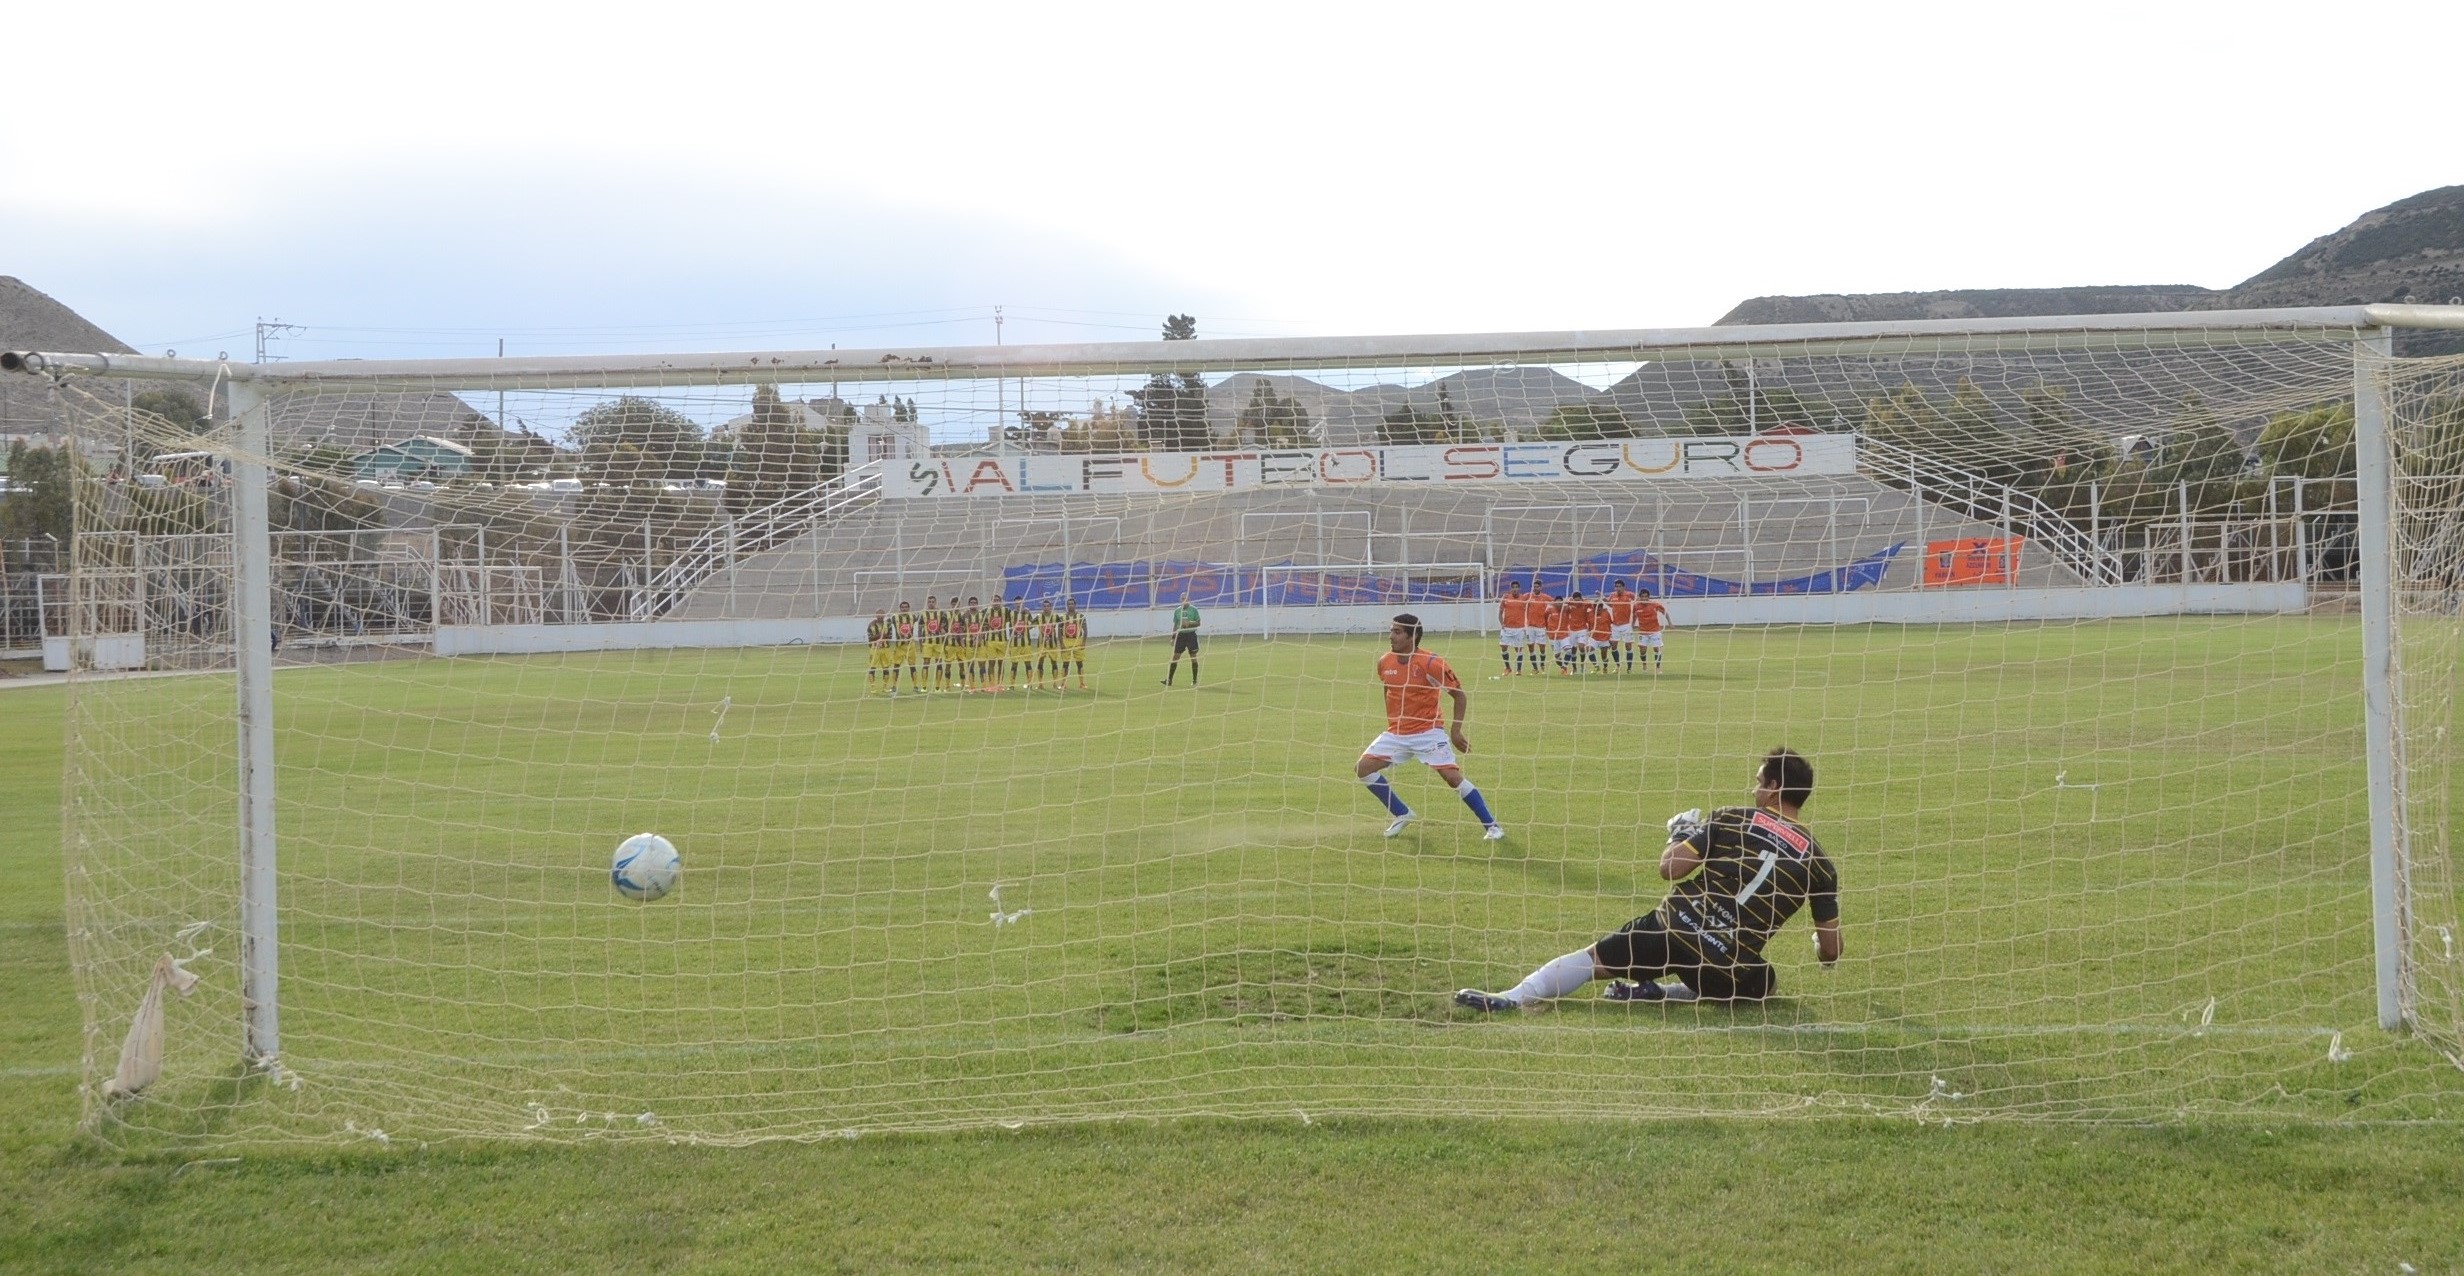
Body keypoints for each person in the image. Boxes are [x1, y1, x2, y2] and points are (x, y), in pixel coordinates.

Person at [1455, 747, 1838, 1011]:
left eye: (1758, 782)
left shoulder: (1732, 817)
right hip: (1726, 964)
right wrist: (1820, 946)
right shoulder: (1820, 862)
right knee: (1766, 983)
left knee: (1591, 961)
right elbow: (1832, 951)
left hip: (1673, 929)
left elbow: (1670, 870)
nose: (1754, 789)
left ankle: (1513, 997)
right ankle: (1664, 992)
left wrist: (1679, 834)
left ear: (1773, 788)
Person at [1357, 613, 1504, 841]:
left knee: (1452, 778)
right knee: (1363, 768)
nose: (1390, 636)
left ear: (1412, 636)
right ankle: (1401, 813)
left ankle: (1492, 826)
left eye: (1396, 632)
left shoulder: (1431, 663)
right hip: (1397, 733)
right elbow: (1388, 688)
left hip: (1428, 733)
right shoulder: (1384, 662)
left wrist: (1456, 731)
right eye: (1391, 631)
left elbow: (1460, 696)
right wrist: (1393, 720)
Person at [1162, 593, 1202, 686]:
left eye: (1185, 598)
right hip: (1181, 636)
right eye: (1182, 598)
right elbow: (1175, 625)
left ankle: (1194, 680)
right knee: (1175, 657)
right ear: (1180, 599)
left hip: (1191, 635)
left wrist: (1189, 624)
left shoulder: (1194, 610)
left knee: (1193, 657)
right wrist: (1173, 637)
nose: (1183, 600)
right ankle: (1169, 680)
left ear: (1189, 599)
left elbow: (1198, 623)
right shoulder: (1177, 611)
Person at [1497, 581, 1534, 676]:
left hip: (1519, 629)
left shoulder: (1523, 599)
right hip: (1507, 628)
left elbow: (1531, 606)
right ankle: (1508, 668)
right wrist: (1502, 624)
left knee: (1518, 649)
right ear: (1510, 589)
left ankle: (1519, 669)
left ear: (1519, 588)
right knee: (1503, 647)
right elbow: (1500, 612)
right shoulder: (1505, 598)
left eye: (1517, 587)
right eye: (1513, 587)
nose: (1515, 589)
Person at [1605, 580, 1638, 672]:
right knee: (1613, 646)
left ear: (1623, 587)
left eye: (1619, 586)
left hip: (1626, 625)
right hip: (1615, 625)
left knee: (1628, 647)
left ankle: (1629, 668)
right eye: (1616, 586)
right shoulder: (1612, 595)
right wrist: (1602, 597)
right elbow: (1610, 604)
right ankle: (1618, 666)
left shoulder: (1629, 595)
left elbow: (1638, 600)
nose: (1617, 588)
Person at [1635, 586, 1670, 672]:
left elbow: (1664, 612)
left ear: (1648, 597)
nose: (1644, 598)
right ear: (1640, 597)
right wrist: (1632, 624)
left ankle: (1658, 667)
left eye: (1646, 596)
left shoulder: (1655, 605)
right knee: (1642, 650)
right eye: (1642, 596)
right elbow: (1633, 615)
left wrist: (1670, 622)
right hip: (1643, 632)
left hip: (1655, 631)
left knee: (1656, 649)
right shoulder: (1636, 606)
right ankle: (1644, 664)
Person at [1059, 601, 1089, 690]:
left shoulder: (1081, 616)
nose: (1070, 605)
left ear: (1075, 605)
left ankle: (1082, 683)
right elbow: (1059, 632)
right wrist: (1061, 644)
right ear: (1067, 605)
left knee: (1079, 663)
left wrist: (1083, 642)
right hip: (1066, 641)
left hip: (1078, 641)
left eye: (1072, 604)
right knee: (1065, 664)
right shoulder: (1062, 617)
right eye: (1069, 604)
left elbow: (1085, 630)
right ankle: (1063, 684)